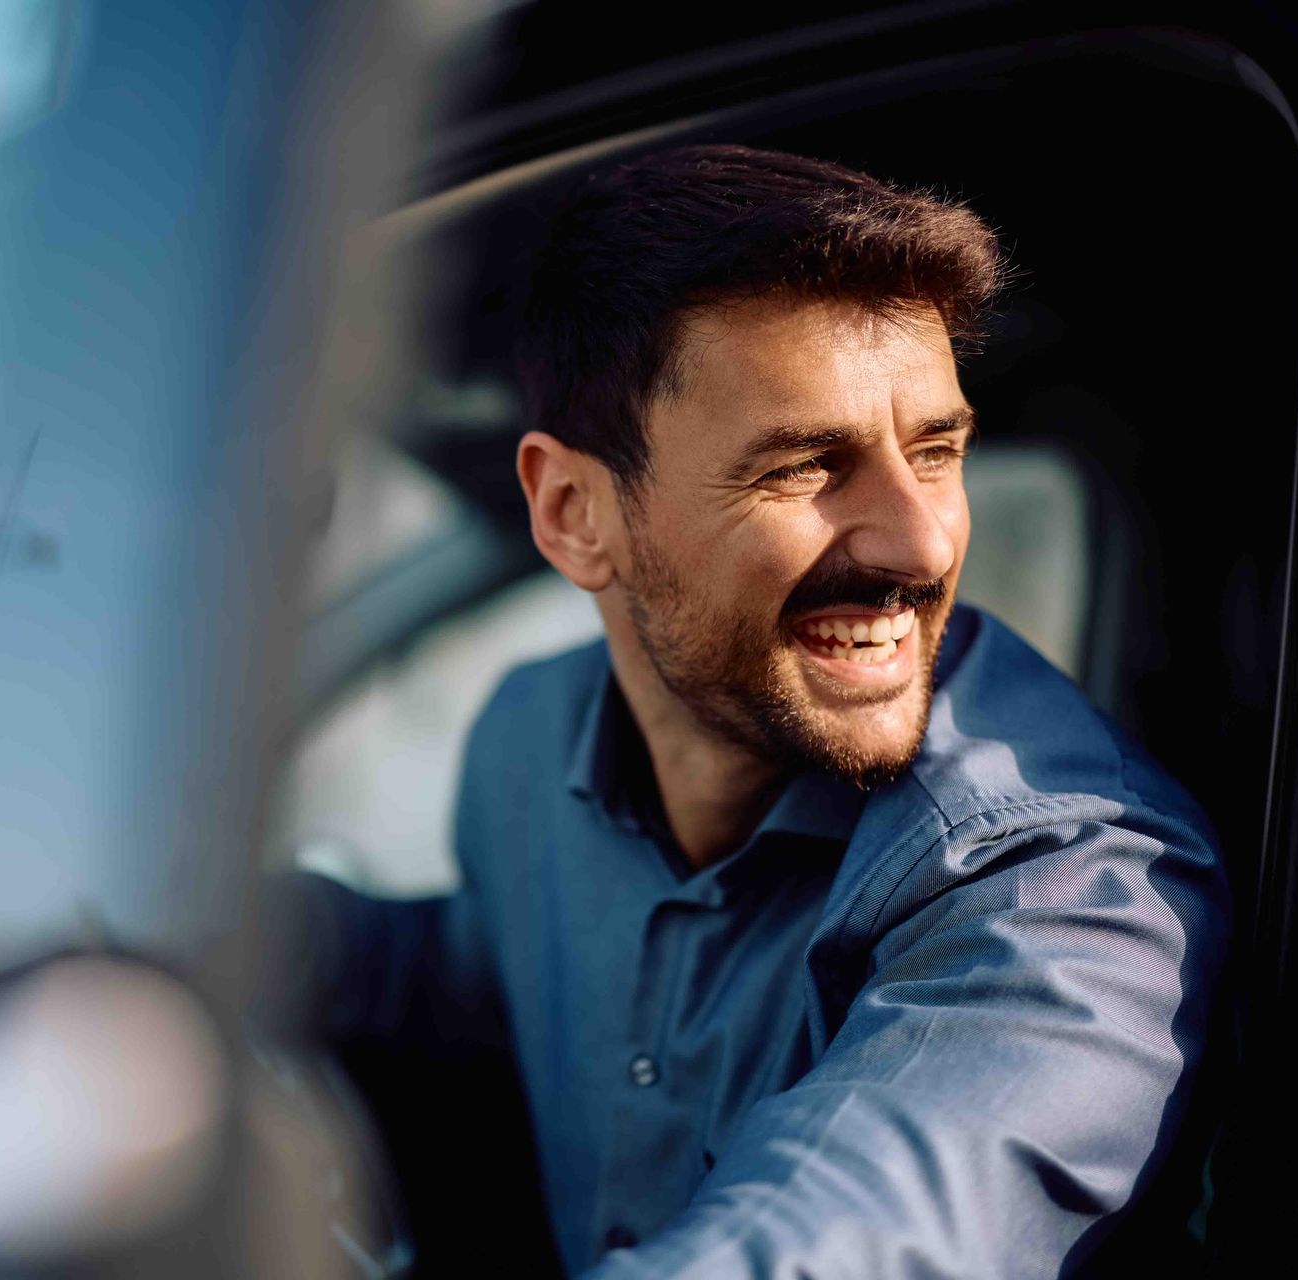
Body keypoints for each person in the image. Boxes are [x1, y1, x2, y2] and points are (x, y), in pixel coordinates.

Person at [281, 144, 1229, 1279]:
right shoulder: (530, 743)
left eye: (936, 450)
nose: (923, 544)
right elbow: (475, 976)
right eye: (806, 467)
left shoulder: (1072, 888)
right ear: (576, 512)